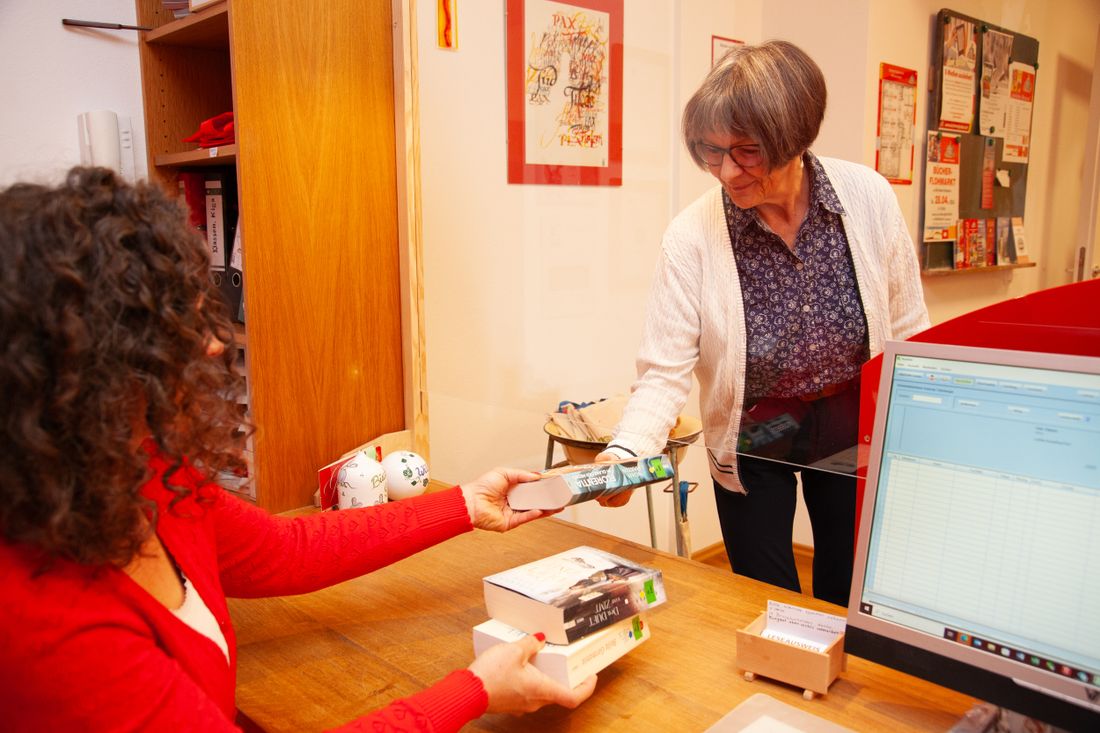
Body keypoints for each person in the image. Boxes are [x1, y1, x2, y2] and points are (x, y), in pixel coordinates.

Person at [0, 167, 596, 731]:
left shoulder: (139, 468)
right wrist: (475, 691)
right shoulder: (45, 620)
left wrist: (464, 503)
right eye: (171, 323)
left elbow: (284, 550)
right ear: (75, 366)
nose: (212, 344)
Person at [596, 41, 929, 607]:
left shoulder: (867, 198)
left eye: (747, 152)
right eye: (711, 151)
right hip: (755, 432)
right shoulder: (691, 237)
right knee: (762, 598)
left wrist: (918, 432)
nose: (727, 171)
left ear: (794, 138)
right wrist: (626, 454)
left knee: (848, 590)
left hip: (851, 423)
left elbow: (908, 325)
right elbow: (664, 371)